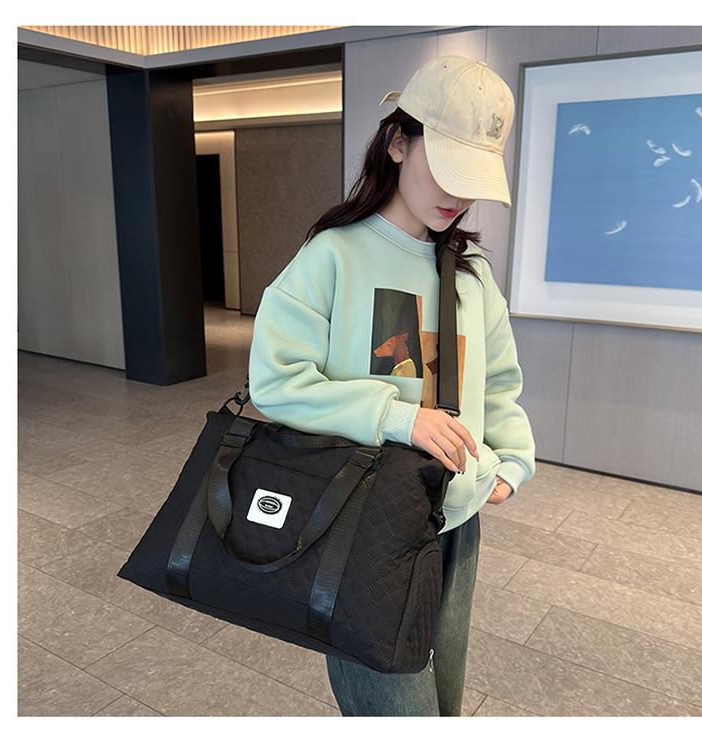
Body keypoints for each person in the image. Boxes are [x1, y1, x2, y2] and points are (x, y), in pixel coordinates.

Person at [247, 54, 536, 716]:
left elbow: (499, 383)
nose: (457, 196)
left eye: (472, 179)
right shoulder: (333, 255)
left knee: (443, 698)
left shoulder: (472, 272)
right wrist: (398, 418)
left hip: (453, 519)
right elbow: (276, 380)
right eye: (446, 169)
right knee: (395, 709)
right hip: (361, 519)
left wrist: (510, 464)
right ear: (398, 142)